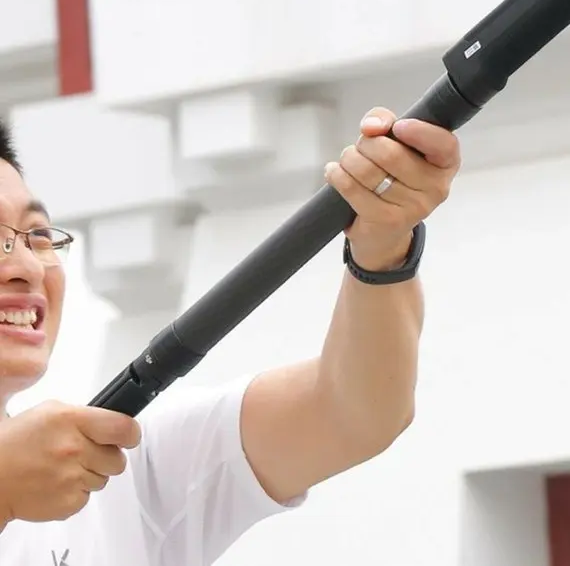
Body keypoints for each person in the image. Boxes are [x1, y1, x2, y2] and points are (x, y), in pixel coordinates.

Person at [0, 107, 461, 565]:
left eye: (36, 236)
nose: (27, 267)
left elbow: (354, 414)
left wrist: (383, 246)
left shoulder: (121, 471)